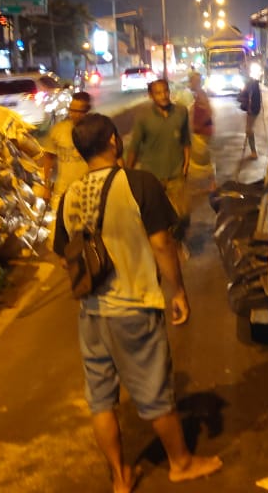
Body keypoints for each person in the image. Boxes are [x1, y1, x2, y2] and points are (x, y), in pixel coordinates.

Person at [52, 112, 222, 491]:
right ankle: (181, 463)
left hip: (91, 314)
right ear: (114, 141)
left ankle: (120, 476)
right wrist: (177, 291)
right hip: (133, 307)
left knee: (101, 400)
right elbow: (162, 243)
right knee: (155, 393)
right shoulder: (137, 183)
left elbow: (66, 257)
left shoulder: (69, 197)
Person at [124, 78, 191, 235]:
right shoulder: (143, 117)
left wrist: (186, 164)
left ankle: (177, 247)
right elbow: (134, 146)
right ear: (151, 96)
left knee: (182, 217)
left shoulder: (181, 112)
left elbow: (186, 140)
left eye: (165, 91)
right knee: (156, 220)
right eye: (158, 93)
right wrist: (128, 173)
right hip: (152, 177)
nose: (163, 96)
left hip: (176, 174)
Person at [41, 91, 92, 213]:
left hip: (89, 193)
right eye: (72, 110)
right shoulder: (59, 130)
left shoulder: (94, 131)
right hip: (63, 192)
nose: (74, 115)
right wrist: (47, 188)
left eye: (79, 111)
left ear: (87, 111)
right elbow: (48, 160)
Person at [185, 70, 215, 184]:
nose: (190, 84)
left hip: (203, 131)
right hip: (202, 130)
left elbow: (209, 112)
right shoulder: (198, 94)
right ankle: (210, 181)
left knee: (203, 157)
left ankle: (212, 182)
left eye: (192, 81)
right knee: (201, 156)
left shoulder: (201, 94)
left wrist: (198, 125)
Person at [238, 76, 262, 160]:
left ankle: (254, 152)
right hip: (253, 109)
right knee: (248, 129)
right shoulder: (253, 84)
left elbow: (249, 98)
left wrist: (250, 108)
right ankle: (253, 151)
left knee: (249, 129)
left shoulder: (251, 85)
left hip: (253, 110)